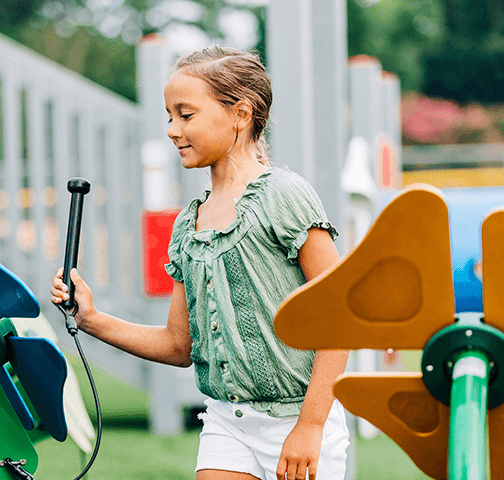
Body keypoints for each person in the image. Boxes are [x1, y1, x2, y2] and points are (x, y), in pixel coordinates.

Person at [51, 46, 349, 480]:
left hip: (298, 419)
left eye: (185, 115)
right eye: (169, 116)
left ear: (240, 114)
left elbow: (338, 315)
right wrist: (92, 318)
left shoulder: (284, 195)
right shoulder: (187, 226)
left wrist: (310, 426)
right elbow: (178, 345)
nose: (172, 130)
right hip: (227, 422)